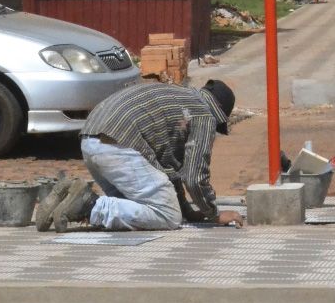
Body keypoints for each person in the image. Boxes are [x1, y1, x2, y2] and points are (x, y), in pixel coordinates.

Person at [36, 80, 246, 232]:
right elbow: (193, 176)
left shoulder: (179, 97)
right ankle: (88, 205)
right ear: (219, 113)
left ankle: (59, 202)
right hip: (119, 146)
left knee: (134, 209)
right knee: (168, 216)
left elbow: (167, 170)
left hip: (91, 141)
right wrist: (214, 214)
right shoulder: (204, 114)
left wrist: (187, 210)